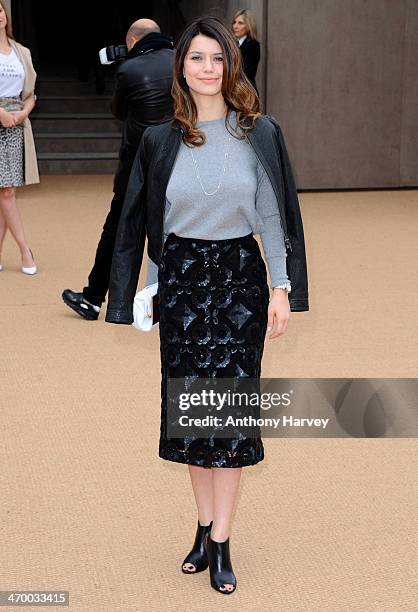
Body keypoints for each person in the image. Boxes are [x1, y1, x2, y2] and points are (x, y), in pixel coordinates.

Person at [105, 16, 308, 595]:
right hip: (183, 280)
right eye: (197, 58)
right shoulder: (160, 138)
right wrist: (147, 287)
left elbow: (273, 216)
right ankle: (200, 528)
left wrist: (281, 288)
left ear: (231, 65)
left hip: (242, 279)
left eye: (218, 59)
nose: (208, 69)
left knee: (231, 416)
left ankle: (222, 541)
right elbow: (150, 221)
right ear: (181, 68)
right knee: (195, 414)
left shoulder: (259, 132)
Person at [62, 18, 174, 319]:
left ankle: (94, 298)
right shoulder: (184, 62)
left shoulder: (127, 69)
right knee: (176, 231)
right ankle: (177, 300)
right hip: (178, 162)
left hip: (136, 164)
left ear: (132, 41)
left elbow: (118, 110)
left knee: (117, 230)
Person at [0, 1, 39, 275]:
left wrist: (22, 113)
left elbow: (31, 94)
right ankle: (25, 249)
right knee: (6, 191)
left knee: (5, 190)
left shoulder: (21, 51)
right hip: (1, 117)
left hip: (16, 123)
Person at [232, 8, 260, 93]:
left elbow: (247, 72)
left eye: (240, 23)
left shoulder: (252, 45)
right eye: (234, 22)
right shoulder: (232, 44)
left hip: (245, 92)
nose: (235, 26)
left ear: (248, 26)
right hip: (232, 91)